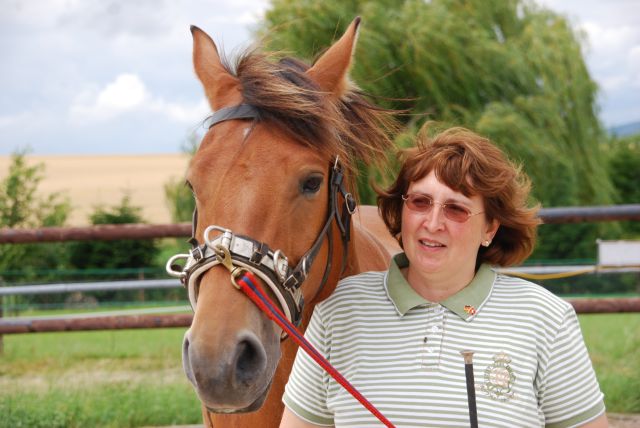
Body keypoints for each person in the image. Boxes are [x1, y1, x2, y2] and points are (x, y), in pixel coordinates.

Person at [280, 125, 608, 427]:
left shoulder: (546, 319)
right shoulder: (337, 311)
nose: (433, 223)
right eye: (420, 202)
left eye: (456, 209)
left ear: (490, 229)